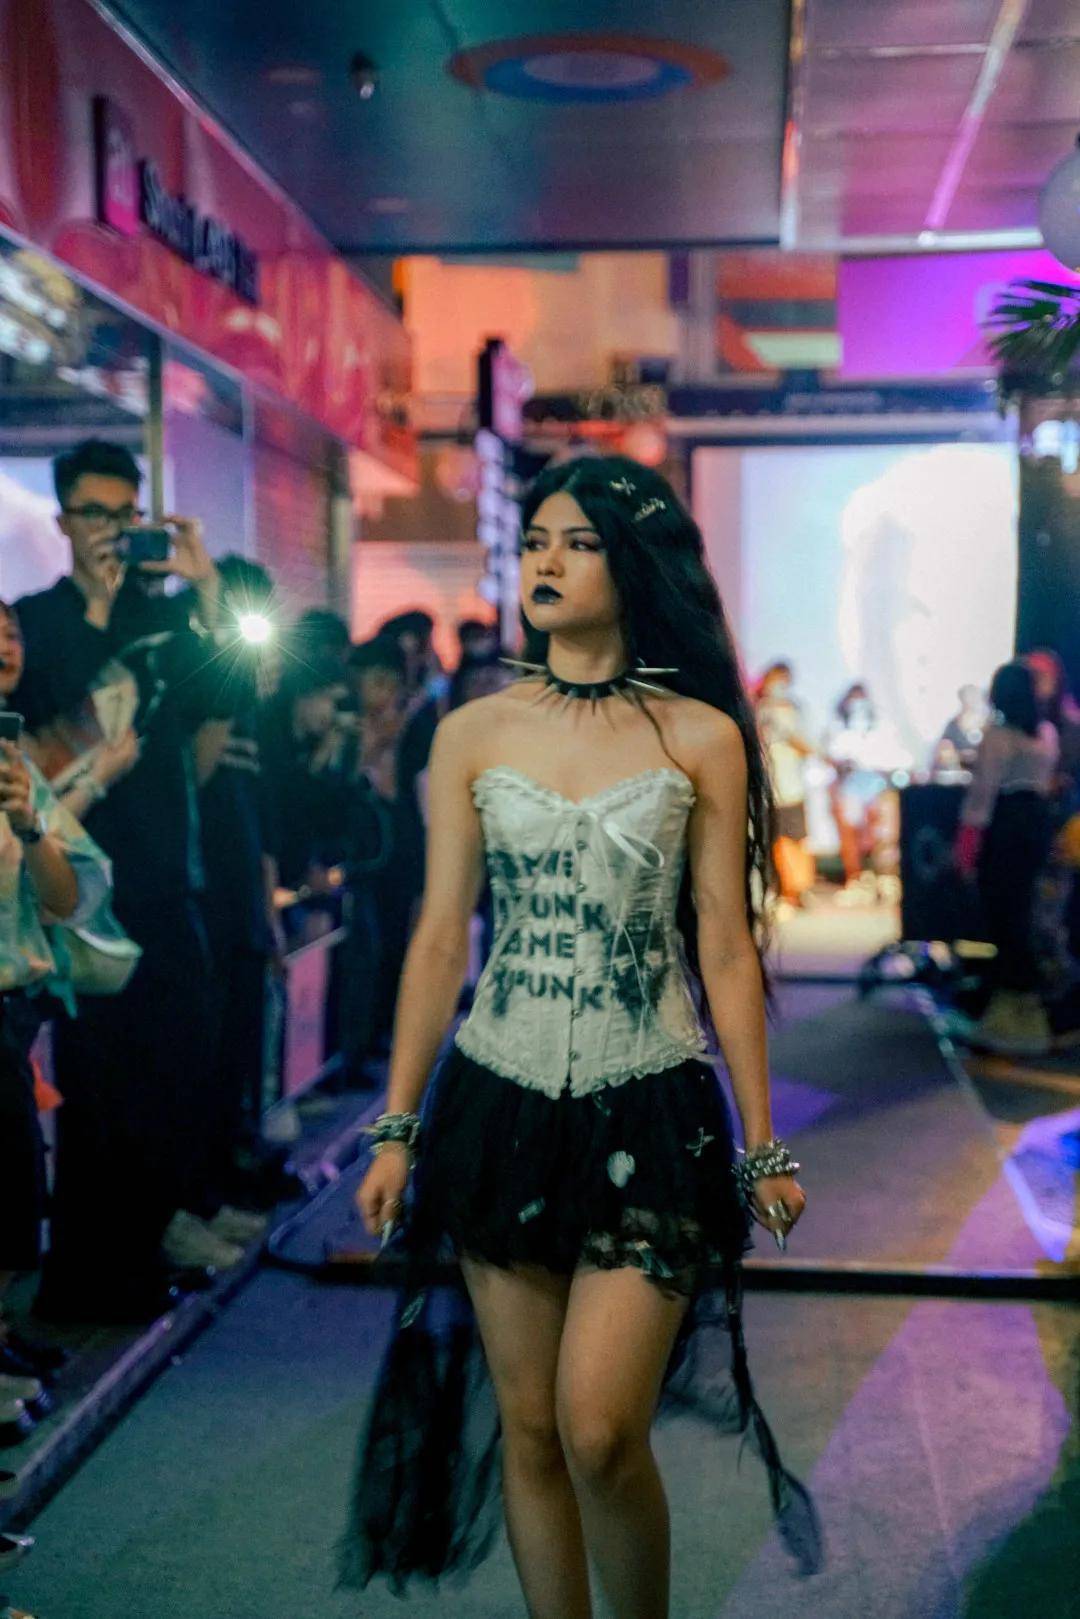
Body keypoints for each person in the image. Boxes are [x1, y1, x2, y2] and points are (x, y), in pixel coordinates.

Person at [342, 456, 820, 1611]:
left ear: (633, 561)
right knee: (531, 1425)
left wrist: (762, 1142)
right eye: (536, 542)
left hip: (648, 1098)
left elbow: (725, 947)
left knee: (601, 1426)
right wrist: (396, 1126)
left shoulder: (703, 734)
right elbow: (439, 939)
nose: (546, 562)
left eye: (579, 542)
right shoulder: (471, 732)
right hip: (497, 1096)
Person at [14, 438, 225, 1320]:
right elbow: (44, 714)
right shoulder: (36, 619)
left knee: (178, 1064)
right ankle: (89, 1279)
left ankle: (142, 1249)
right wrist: (98, 610)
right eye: (94, 513)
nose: (109, 530)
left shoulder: (163, 617)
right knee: (99, 1086)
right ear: (63, 520)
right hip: (81, 886)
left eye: (124, 514)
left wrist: (206, 589)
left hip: (168, 875)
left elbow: (227, 699)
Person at [0, 602, 114, 1435]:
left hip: (13, 1009)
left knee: (13, 1192)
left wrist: (29, 823)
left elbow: (68, 896)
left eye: (10, 630)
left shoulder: (17, 769)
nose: (5, 644)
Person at [955, 660, 1059, 1053]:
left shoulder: (998, 737)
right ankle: (1021, 1017)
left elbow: (981, 798)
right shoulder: (1045, 734)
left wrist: (965, 850)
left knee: (1004, 918)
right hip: (1036, 825)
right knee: (1022, 915)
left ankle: (1018, 1022)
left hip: (1006, 827)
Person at [755, 661, 815, 912]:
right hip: (770, 786)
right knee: (777, 839)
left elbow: (807, 745)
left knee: (797, 837)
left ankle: (800, 888)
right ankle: (785, 890)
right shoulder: (759, 709)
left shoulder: (796, 709)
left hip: (793, 785)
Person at [934, 684, 989, 774]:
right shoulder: (952, 726)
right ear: (962, 700)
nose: (972, 702)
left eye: (974, 698)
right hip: (960, 774)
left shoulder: (988, 725)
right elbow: (943, 754)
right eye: (968, 698)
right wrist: (960, 756)